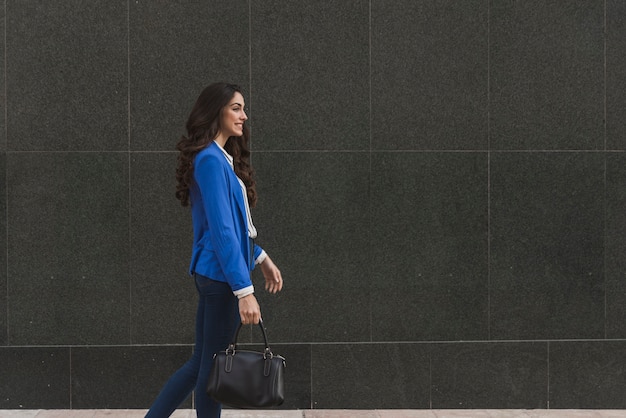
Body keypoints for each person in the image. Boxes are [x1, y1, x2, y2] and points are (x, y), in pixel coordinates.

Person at [145, 82, 283, 418]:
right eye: (236, 108)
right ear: (215, 111)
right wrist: (244, 291)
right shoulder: (210, 160)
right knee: (206, 366)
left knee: (205, 365)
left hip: (216, 274)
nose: (243, 116)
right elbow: (221, 232)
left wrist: (260, 257)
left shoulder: (218, 158)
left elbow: (231, 228)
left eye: (243, 108)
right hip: (220, 277)